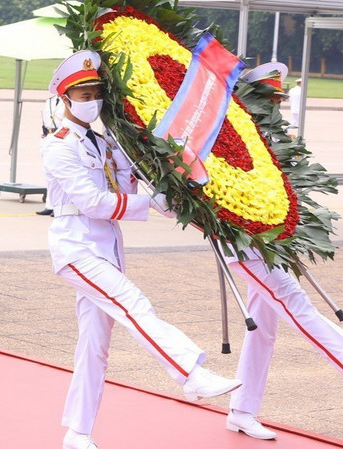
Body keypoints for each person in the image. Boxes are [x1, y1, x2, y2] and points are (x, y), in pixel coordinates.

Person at [43, 50, 240, 449]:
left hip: (106, 247)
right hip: (75, 246)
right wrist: (146, 204)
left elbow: (129, 187)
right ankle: (190, 373)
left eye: (96, 92)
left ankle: (77, 433)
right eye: (82, 95)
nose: (91, 100)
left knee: (94, 346)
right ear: (64, 100)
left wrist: (166, 196)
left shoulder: (105, 141)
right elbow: (93, 202)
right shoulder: (58, 145)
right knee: (134, 303)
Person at [220, 63, 343, 440]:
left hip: (270, 244)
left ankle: (242, 410)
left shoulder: (271, 137)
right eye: (270, 100)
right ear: (252, 100)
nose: (277, 106)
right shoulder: (229, 138)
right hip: (242, 245)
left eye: (279, 100)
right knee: (293, 300)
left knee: (264, 330)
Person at [36, 95, 65, 216]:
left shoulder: (67, 100)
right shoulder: (50, 100)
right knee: (48, 173)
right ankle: (50, 205)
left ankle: (59, 206)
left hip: (61, 137)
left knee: (60, 174)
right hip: (48, 136)